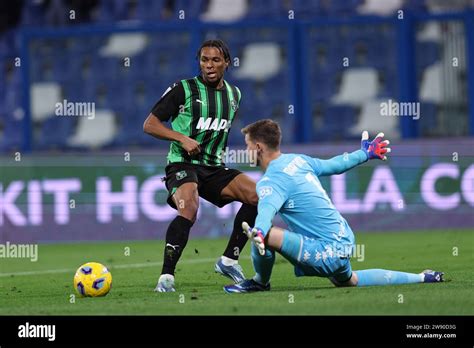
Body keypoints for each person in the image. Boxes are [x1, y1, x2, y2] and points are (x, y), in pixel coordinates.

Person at [224, 119, 444, 293]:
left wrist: (260, 231)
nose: (247, 150)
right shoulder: (298, 160)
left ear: (259, 147)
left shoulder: (271, 181)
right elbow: (335, 165)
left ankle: (260, 283)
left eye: (248, 145)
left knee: (263, 235)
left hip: (325, 250)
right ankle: (423, 277)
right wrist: (365, 153)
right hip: (344, 240)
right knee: (350, 281)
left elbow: (266, 211)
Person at [143, 39, 258, 292]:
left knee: (257, 197)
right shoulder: (183, 90)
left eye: (215, 60)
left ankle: (229, 259)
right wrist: (181, 138)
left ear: (227, 63)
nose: (209, 65)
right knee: (190, 207)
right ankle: (166, 277)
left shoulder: (234, 95)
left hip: (214, 168)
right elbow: (150, 124)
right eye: (204, 60)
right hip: (183, 163)